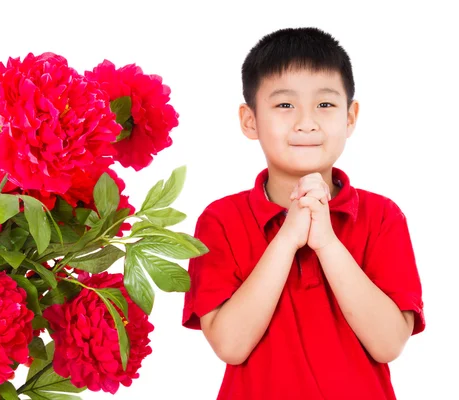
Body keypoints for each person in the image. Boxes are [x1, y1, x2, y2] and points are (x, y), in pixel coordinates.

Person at [182, 26, 425, 400]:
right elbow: (230, 345)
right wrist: (287, 238)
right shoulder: (220, 219)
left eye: (325, 105)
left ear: (350, 116)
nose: (306, 122)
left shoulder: (382, 216)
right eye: (284, 105)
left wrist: (326, 241)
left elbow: (390, 343)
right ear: (250, 120)